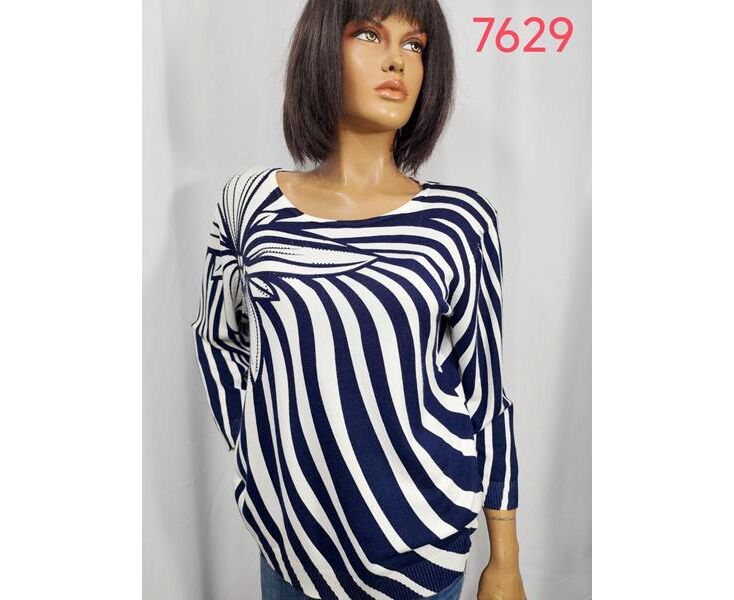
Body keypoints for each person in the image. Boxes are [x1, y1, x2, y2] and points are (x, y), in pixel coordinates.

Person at [191, 1, 525, 598]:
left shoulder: (458, 221)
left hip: (420, 549)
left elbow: (486, 390)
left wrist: (506, 558)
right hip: (292, 549)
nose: (397, 60)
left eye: (414, 45)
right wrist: (263, 459)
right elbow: (220, 340)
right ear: (323, 48)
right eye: (369, 35)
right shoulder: (249, 205)